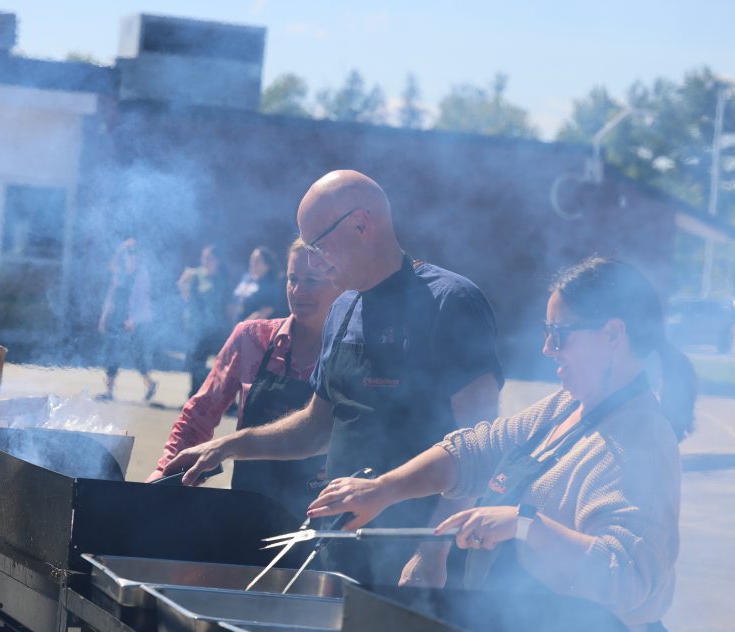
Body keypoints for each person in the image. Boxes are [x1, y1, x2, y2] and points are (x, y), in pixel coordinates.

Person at [307, 256, 696, 632]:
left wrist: (525, 524)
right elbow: (474, 449)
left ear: (613, 334)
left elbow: (631, 577)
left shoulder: (641, 439)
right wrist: (384, 490)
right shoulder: (565, 408)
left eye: (559, 335)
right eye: (547, 333)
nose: (547, 348)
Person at [164, 170, 503, 585]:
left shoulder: (451, 302)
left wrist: (432, 550)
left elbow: (482, 443)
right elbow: (315, 427)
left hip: (417, 557)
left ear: (362, 223)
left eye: (318, 245)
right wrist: (229, 446)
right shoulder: (343, 309)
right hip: (340, 551)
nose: (315, 260)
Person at [146, 240, 343, 520]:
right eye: (292, 279)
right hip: (247, 506)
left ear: (342, 284)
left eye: (312, 281)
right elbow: (200, 413)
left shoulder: (352, 349)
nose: (299, 291)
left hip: (321, 515)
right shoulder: (252, 338)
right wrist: (164, 471)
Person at [96, 238, 157, 402]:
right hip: (117, 317)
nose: (130, 256)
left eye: (133, 253)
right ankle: (108, 392)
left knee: (137, 355)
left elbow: (143, 301)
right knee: (112, 353)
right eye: (127, 253)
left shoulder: (142, 274)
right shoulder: (119, 272)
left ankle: (150, 384)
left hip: (135, 321)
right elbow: (111, 295)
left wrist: (133, 320)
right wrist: (104, 316)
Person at [179, 244, 233, 397]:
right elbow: (184, 294)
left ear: (217, 261)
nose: (205, 261)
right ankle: (194, 398)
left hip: (218, 329)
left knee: (225, 366)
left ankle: (227, 400)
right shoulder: (195, 275)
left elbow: (228, 306)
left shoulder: (223, 280)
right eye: (204, 258)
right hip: (198, 329)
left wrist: (231, 328)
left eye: (209, 258)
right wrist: (183, 281)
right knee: (196, 364)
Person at [234, 246, 289, 321]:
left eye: (257, 260)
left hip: (253, 328)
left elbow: (266, 310)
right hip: (237, 325)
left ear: (267, 265)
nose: (252, 263)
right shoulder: (246, 278)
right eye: (252, 259)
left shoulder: (271, 283)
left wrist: (243, 326)